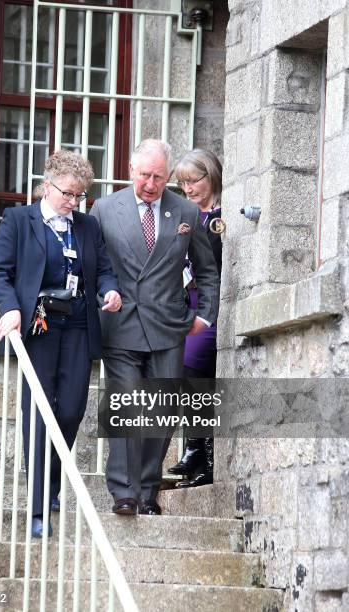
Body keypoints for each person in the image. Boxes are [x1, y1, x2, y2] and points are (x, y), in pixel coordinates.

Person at [0, 150, 121, 537]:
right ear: (47, 186)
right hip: (39, 327)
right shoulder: (18, 220)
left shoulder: (86, 227)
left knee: (72, 410)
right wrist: (10, 309)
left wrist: (110, 292)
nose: (73, 202)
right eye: (67, 194)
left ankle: (52, 482)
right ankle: (38, 505)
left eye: (80, 196)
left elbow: (105, 270)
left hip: (79, 324)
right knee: (38, 413)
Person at [90, 139, 220, 515]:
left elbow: (206, 270)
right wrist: (100, 299)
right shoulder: (104, 209)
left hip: (168, 325)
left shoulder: (185, 212)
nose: (150, 184)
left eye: (158, 177)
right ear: (132, 171)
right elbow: (95, 265)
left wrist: (205, 314)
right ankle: (124, 492)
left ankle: (147, 491)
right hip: (121, 324)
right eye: (145, 175)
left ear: (168, 177)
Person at [167, 148, 223, 488]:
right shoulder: (185, 214)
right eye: (183, 184)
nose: (188, 189)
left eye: (194, 181)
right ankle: (201, 457)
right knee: (192, 379)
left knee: (190, 368)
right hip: (186, 304)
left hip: (210, 306)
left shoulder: (220, 215)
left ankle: (195, 448)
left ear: (211, 175)